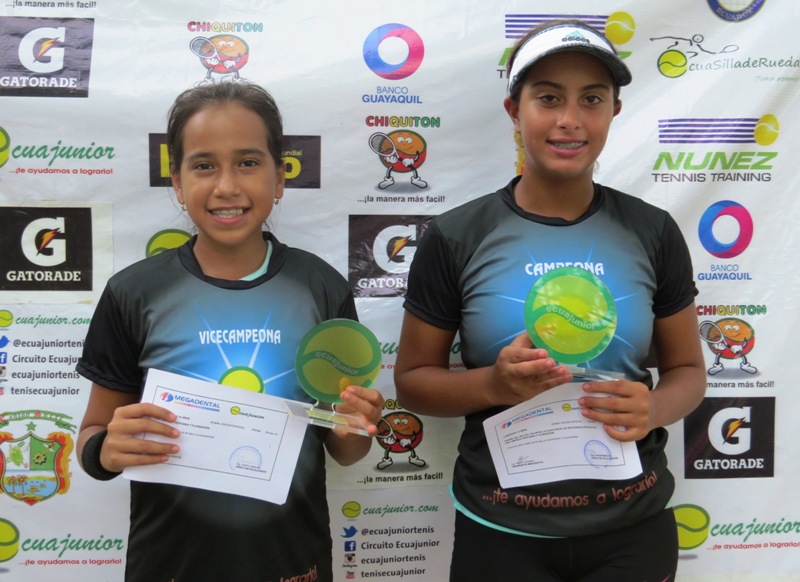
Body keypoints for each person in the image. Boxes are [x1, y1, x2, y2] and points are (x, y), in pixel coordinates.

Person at [394, 19, 706, 582]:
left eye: (592, 99)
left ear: (614, 110)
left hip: (632, 528)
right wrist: (493, 385)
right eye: (548, 98)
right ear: (514, 110)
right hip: (501, 529)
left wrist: (655, 409)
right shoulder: (457, 235)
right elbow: (413, 382)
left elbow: (687, 370)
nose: (570, 119)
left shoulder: (652, 230)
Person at [76, 82, 384, 582]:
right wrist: (106, 450)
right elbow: (93, 435)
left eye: (248, 162)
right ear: (177, 183)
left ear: (279, 178)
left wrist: (356, 423)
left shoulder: (320, 287)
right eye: (203, 165)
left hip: (292, 564)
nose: (227, 186)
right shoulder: (133, 293)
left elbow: (347, 450)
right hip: (168, 566)